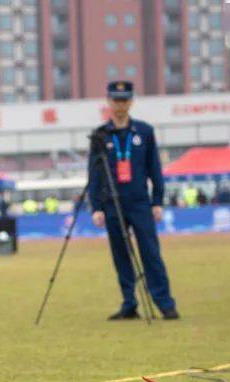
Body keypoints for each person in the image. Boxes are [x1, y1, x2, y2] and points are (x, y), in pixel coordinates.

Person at [89, 81, 178, 321]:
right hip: (111, 203)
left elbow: (154, 169)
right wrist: (95, 207)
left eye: (124, 100)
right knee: (121, 255)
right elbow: (94, 175)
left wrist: (157, 200)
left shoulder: (145, 132)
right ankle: (129, 303)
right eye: (116, 100)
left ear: (131, 101)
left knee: (151, 252)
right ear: (108, 101)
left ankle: (165, 303)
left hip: (140, 202)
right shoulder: (100, 135)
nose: (120, 105)